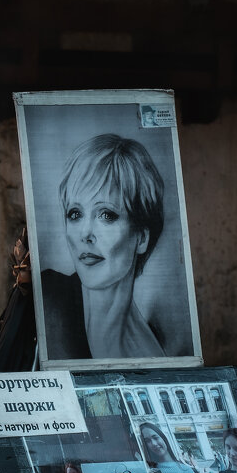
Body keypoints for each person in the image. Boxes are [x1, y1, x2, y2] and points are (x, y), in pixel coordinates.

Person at [40, 134, 167, 359]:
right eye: (75, 214)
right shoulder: (46, 297)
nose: (85, 233)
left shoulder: (155, 352)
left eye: (106, 215)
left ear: (141, 238)